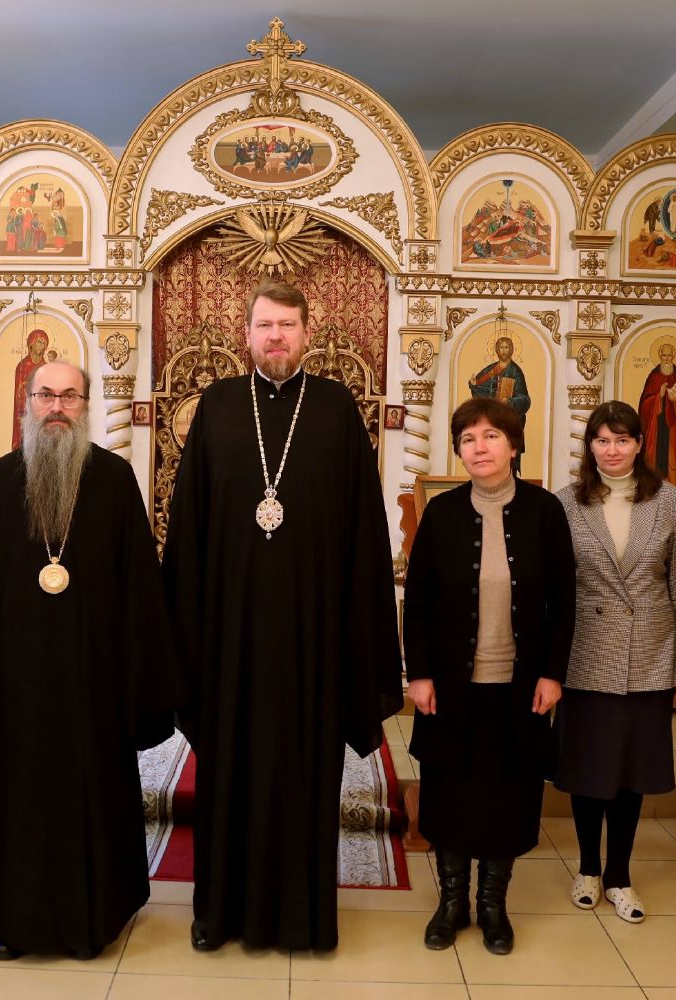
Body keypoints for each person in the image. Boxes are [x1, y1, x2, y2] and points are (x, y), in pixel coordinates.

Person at [162, 277, 403, 952]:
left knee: (304, 778)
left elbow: (362, 530)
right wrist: (183, 638)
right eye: (265, 325)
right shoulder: (216, 405)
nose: (276, 336)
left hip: (312, 636)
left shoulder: (335, 408)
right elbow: (189, 525)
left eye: (287, 325)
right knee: (228, 775)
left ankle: (305, 920)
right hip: (229, 635)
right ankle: (217, 915)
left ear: (306, 334)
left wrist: (359, 635)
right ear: (246, 335)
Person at [0, 360, 182, 960]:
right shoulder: (0, 482)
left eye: (69, 396)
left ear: (85, 405)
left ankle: (95, 918)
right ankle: (14, 919)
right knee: (21, 800)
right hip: (17, 684)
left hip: (94, 680)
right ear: (27, 402)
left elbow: (139, 586)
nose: (57, 406)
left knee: (93, 795)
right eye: (46, 395)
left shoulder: (114, 479)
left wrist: (137, 678)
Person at [402, 397, 575, 955]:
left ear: (514, 444)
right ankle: (451, 903)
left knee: (509, 795)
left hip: (520, 686)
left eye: (492, 436)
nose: (480, 447)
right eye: (469, 438)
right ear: (459, 450)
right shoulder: (442, 513)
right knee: (449, 792)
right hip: (451, 685)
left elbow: (564, 601)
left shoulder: (544, 511)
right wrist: (418, 673)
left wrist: (553, 674)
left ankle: (494, 906)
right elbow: (418, 600)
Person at [554, 401, 676, 925]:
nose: (612, 450)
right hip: (587, 650)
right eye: (602, 440)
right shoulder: (567, 502)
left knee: (632, 771)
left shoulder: (667, 499)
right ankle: (588, 869)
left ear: (639, 444)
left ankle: (620, 875)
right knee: (589, 767)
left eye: (622, 440)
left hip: (649, 651)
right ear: (589, 446)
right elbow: (555, 587)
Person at [637, 340, 676, 487]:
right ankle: (652, 483)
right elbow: (643, 405)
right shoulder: (653, 377)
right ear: (660, 356)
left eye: (669, 355)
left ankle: (672, 485)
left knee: (670, 455)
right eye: (664, 355)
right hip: (656, 424)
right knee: (655, 455)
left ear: (673, 357)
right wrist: (658, 396)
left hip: (673, 426)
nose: (667, 358)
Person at [468, 336, 532, 417]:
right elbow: (481, 388)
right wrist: (474, 384)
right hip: (490, 413)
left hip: (506, 415)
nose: (503, 351)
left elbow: (525, 399)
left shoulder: (515, 371)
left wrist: (509, 402)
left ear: (511, 349)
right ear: (497, 350)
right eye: (501, 347)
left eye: (506, 347)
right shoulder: (491, 368)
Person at [9, 328, 50, 450]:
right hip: (26, 411)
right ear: (31, 343)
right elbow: (19, 391)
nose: (41, 346)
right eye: (39, 342)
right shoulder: (22, 366)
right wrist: (22, 412)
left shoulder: (46, 367)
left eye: (44, 343)